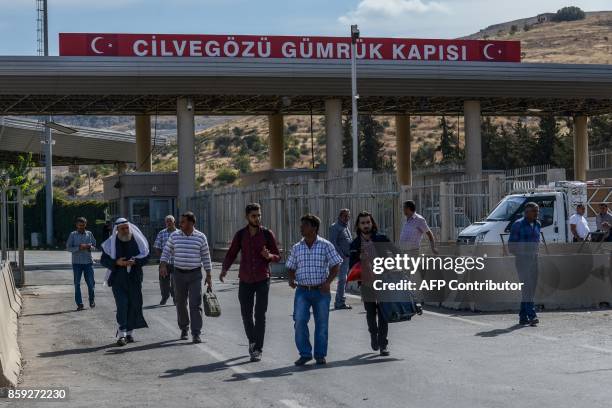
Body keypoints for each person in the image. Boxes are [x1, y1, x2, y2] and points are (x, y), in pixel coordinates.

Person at [220, 203, 281, 362]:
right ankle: (252, 341)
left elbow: (278, 256)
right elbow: (231, 253)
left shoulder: (267, 234)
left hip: (262, 278)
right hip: (245, 279)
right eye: (254, 216)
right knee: (246, 314)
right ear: (247, 217)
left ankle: (257, 349)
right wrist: (224, 269)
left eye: (259, 215)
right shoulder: (240, 235)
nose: (257, 218)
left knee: (260, 314)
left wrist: (270, 257)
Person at [286, 214, 342, 366]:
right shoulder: (297, 247)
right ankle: (305, 353)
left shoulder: (326, 245)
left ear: (314, 228)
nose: (301, 228)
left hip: (321, 291)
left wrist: (328, 282)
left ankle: (320, 355)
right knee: (299, 321)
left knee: (322, 324)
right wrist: (291, 279)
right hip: (302, 291)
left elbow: (336, 265)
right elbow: (290, 266)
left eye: (304, 225)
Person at [160, 211, 212, 344]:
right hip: (178, 274)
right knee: (180, 303)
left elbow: (206, 257)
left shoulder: (201, 237)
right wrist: (163, 265)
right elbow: (166, 250)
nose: (179, 224)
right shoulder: (175, 236)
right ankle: (184, 328)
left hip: (195, 275)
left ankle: (196, 333)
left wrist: (209, 275)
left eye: (183, 222)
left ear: (191, 223)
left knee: (195, 303)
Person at [100, 218, 150, 346]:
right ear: (117, 229)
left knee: (133, 305)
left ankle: (129, 334)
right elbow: (103, 260)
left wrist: (136, 262)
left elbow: (146, 257)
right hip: (118, 279)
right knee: (122, 305)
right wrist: (117, 262)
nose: (125, 230)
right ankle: (121, 334)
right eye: (122, 228)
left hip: (134, 278)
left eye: (127, 227)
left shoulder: (138, 241)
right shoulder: (110, 243)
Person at [349, 211, 392, 356]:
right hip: (367, 284)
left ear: (372, 223)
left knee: (383, 314)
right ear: (358, 225)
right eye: (363, 223)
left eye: (368, 222)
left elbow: (395, 254)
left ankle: (383, 344)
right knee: (371, 313)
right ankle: (374, 334)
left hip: (383, 281)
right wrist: (359, 259)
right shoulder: (355, 244)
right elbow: (351, 266)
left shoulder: (381, 238)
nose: (366, 225)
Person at [508, 202, 541, 326]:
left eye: (537, 211)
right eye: (534, 211)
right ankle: (532, 315)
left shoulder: (538, 224)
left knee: (530, 289)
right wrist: (523, 253)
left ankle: (523, 317)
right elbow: (511, 246)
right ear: (526, 212)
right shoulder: (518, 225)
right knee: (527, 288)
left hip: (534, 259)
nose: (536, 214)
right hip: (522, 260)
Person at [66, 217, 97, 311]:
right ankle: (79, 304)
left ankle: (92, 300)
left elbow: (94, 246)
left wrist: (89, 247)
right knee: (77, 284)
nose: (81, 227)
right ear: (76, 225)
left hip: (88, 262)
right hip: (77, 263)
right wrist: (79, 247)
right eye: (80, 225)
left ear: (85, 225)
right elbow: (68, 248)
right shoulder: (73, 235)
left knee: (91, 284)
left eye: (83, 225)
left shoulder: (89, 234)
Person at [328, 209, 353, 310]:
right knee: (342, 279)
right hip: (341, 258)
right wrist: (341, 255)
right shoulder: (335, 227)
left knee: (344, 280)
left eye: (348, 216)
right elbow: (333, 243)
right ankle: (339, 302)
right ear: (340, 216)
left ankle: (340, 301)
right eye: (345, 216)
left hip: (347, 257)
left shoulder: (346, 227)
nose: (347, 218)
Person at [153, 215, 177, 305]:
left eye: (170, 221)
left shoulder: (179, 233)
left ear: (174, 222)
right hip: (164, 263)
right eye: (167, 221)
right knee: (163, 282)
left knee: (176, 282)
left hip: (176, 262)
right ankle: (164, 297)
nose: (169, 223)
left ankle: (175, 298)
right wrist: (162, 259)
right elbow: (157, 247)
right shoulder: (161, 233)